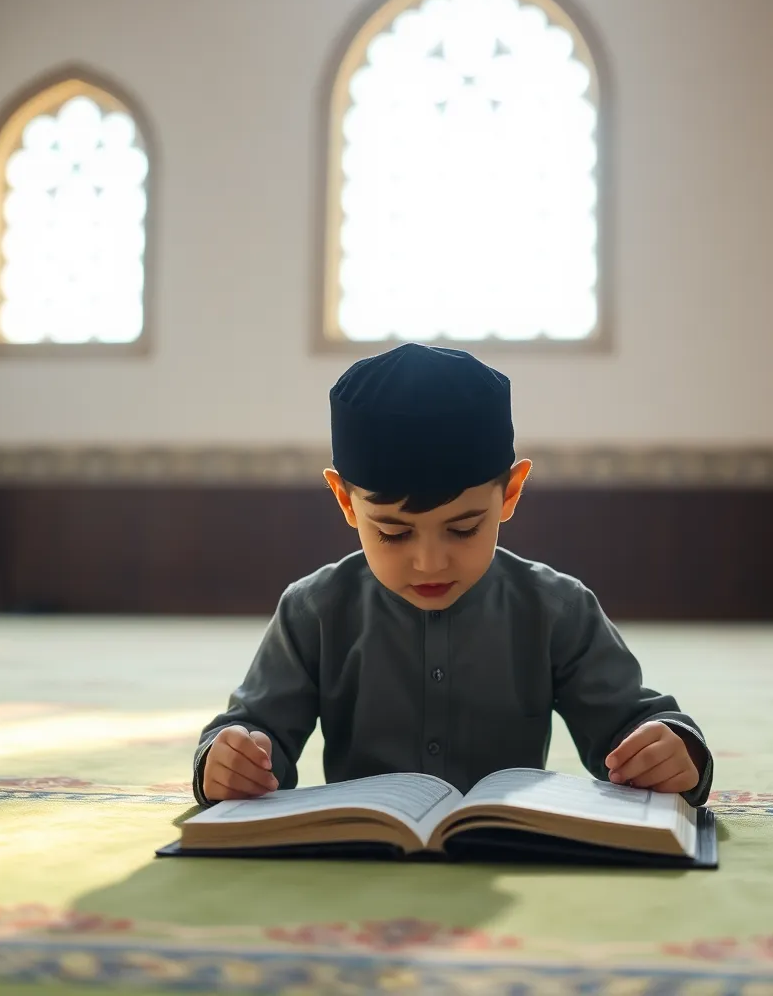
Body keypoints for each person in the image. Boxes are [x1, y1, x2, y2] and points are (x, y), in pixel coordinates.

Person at [193, 344, 712, 807]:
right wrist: (236, 757)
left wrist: (668, 748)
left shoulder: (557, 609)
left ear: (510, 493)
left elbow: (629, 723)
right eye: (394, 534)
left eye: (463, 529)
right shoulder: (315, 611)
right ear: (345, 501)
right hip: (360, 866)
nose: (430, 562)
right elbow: (258, 730)